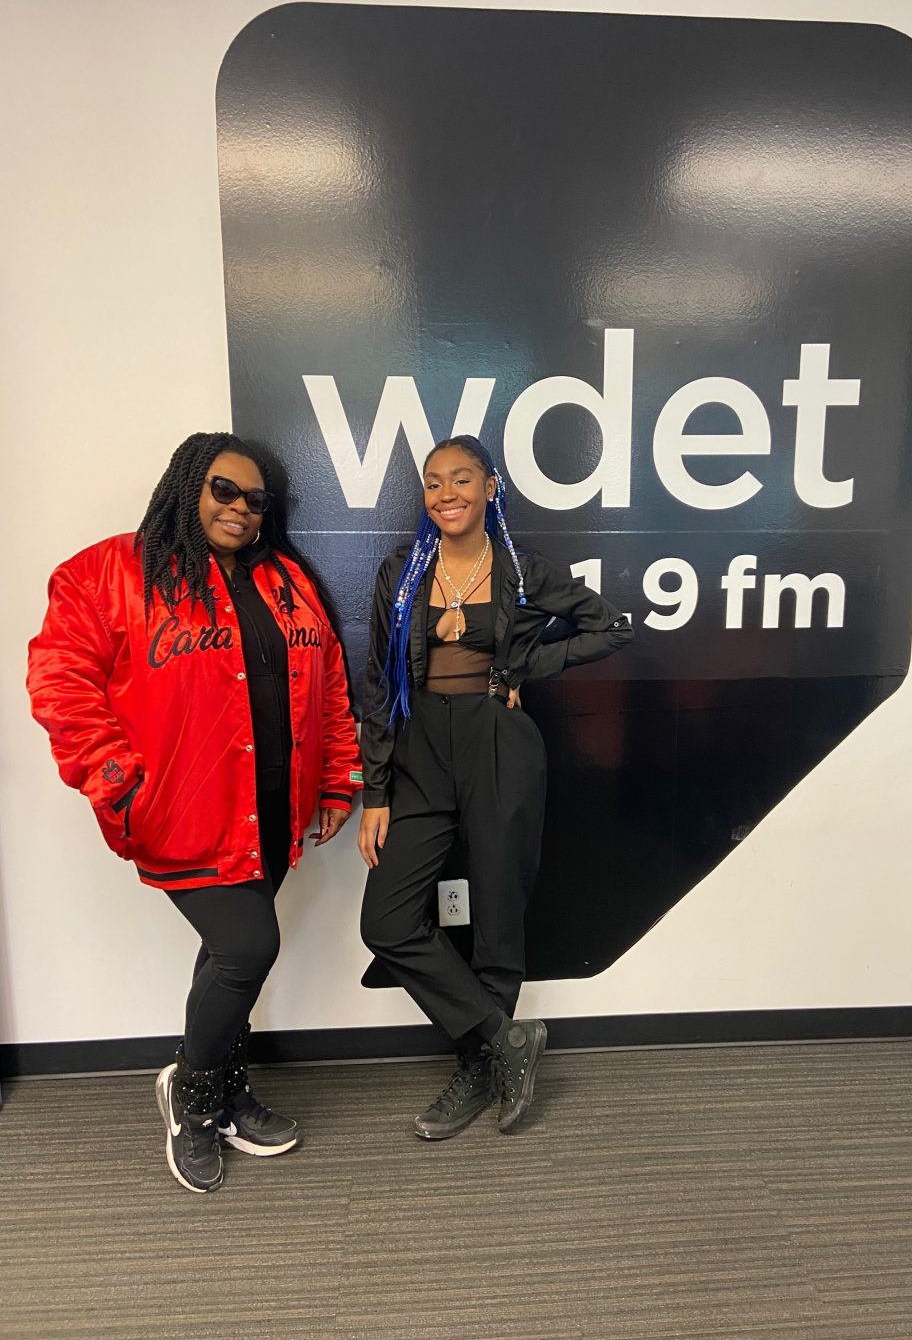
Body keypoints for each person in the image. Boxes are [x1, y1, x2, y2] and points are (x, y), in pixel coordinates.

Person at [27, 432, 362, 1193]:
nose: (240, 508)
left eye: (255, 499)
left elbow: (330, 683)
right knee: (247, 947)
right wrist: (120, 781)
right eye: (223, 489)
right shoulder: (109, 574)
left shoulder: (288, 581)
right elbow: (61, 681)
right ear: (187, 485)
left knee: (225, 959)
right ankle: (193, 1096)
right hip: (184, 812)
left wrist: (339, 780)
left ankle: (228, 1089)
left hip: (273, 812)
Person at [358, 435, 633, 1139]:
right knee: (387, 920)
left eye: (461, 479)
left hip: (498, 744)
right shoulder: (404, 569)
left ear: (489, 488)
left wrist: (519, 671)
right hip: (420, 749)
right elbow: (380, 685)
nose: (446, 493)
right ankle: (502, 1038)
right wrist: (376, 791)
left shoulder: (517, 568)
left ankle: (478, 1066)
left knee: (498, 914)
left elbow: (608, 626)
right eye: (433, 482)